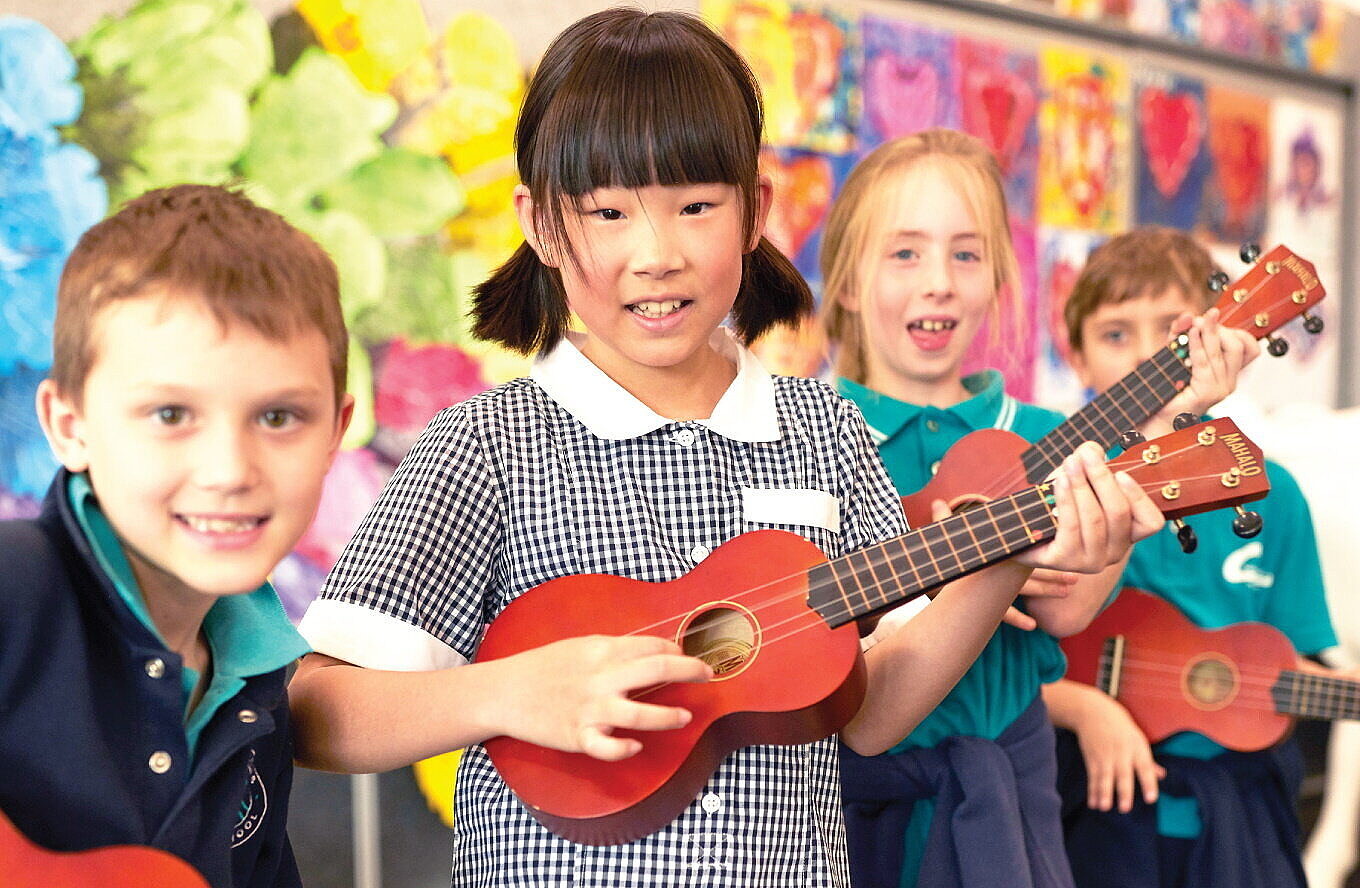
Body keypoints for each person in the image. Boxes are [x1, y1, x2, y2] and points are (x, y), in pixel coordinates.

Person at [286, 12, 1157, 888]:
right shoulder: (487, 443)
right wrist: (505, 694)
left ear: (755, 213)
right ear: (542, 225)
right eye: (609, 212)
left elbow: (871, 712)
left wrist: (999, 563)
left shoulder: (826, 432)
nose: (656, 254)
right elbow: (317, 709)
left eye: (696, 207)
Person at [818, 132, 1254, 888]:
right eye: (905, 254)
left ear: (996, 279)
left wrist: (1155, 441)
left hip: (1012, 793)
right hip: (846, 806)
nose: (940, 283)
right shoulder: (809, 433)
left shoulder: (1049, 437)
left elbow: (1071, 609)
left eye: (966, 253)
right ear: (848, 284)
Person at [0, 184, 354, 887]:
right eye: (170, 414)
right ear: (70, 425)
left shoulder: (258, 687)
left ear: (335, 434)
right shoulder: (13, 594)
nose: (228, 471)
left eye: (279, 417)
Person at [1043, 225, 1349, 888]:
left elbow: (1292, 658)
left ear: (1219, 343)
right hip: (1090, 801)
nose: (1147, 357)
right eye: (1116, 334)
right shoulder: (1056, 486)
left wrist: (1277, 686)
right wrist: (1086, 709)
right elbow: (1005, 661)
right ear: (1077, 355)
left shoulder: (1277, 497)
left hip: (1238, 811)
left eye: (1170, 332)